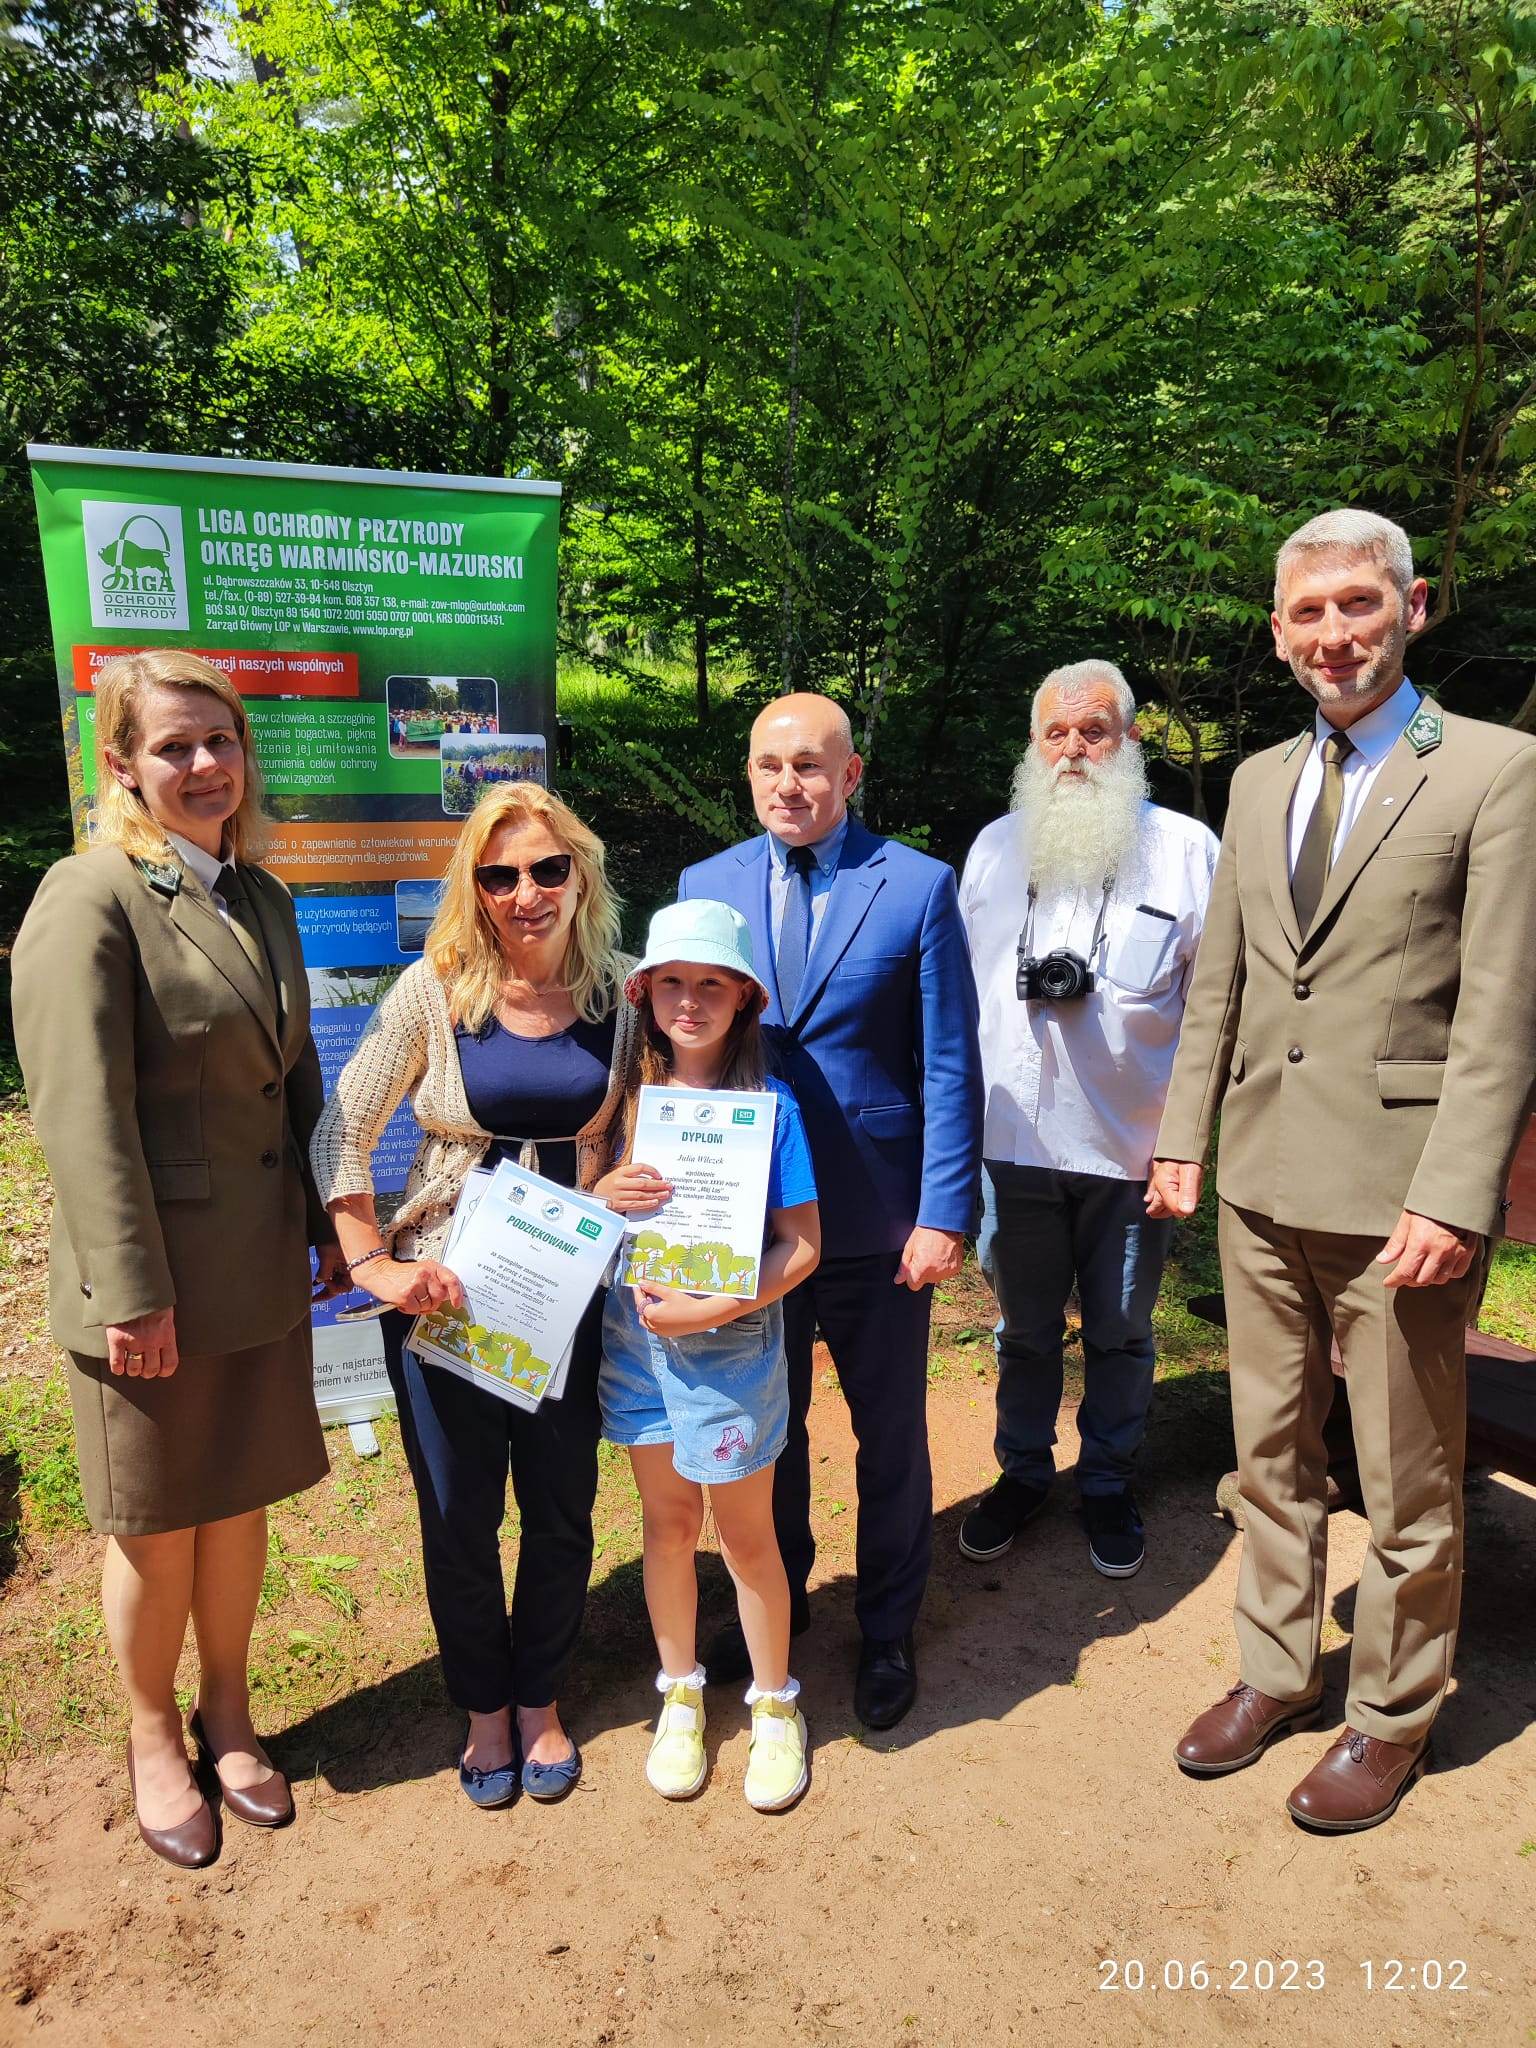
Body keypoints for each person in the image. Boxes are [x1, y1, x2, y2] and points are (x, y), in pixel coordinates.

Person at [1150, 508, 1536, 1831]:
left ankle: (1392, 1711)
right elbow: (1222, 978)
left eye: (1357, 604)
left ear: (1411, 607)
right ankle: (1276, 1669)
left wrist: (1456, 1191)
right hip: (1258, 1184)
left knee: (1409, 1481)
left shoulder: (1494, 770)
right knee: (1271, 1452)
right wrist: (1183, 1136)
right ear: (1277, 632)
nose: (1333, 633)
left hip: (1399, 1203)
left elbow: (1502, 1009)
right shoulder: (1260, 781)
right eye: (1307, 612)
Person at [12, 649, 346, 1869]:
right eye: (173, 745)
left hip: (254, 1266)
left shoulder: (260, 895)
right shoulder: (88, 895)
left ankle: (230, 1709)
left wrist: (328, 1222)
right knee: (156, 1524)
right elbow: (79, 1113)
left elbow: (293, 1073)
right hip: (150, 1285)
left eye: (221, 739)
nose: (205, 763)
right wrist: (131, 1291)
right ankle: (154, 1732)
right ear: (121, 762)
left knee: (237, 1500)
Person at [310, 784, 640, 1809]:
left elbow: (659, 1123)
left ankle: (539, 1699)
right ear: (475, 887)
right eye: (499, 875)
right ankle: (484, 1710)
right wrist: (372, 1263)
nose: (525, 892)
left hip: (563, 1298)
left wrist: (624, 1183)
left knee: (561, 1506)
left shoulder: (624, 996)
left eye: (547, 868)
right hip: (446, 1294)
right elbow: (341, 1127)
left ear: (579, 873)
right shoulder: (437, 989)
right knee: (458, 1515)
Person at [680, 694, 983, 1728]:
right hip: (751, 1219)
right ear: (748, 772)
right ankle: (785, 1596)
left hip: (879, 1221)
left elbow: (949, 1062)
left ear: (851, 774)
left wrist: (944, 1212)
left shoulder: (918, 885)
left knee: (889, 1436)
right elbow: (685, 1044)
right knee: (768, 1429)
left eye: (810, 765)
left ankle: (889, 1625)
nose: (789, 784)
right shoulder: (707, 885)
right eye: (770, 765)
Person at [958, 661, 1219, 1577]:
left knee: (1121, 1332)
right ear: (1034, 747)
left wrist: (1186, 1143)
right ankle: (1024, 1473)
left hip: (1134, 1149)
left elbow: (1216, 1010)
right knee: (1024, 1332)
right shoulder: (994, 850)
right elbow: (956, 1000)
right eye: (1055, 733)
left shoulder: (1188, 851)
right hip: (1011, 1145)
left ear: (1131, 741)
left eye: (1094, 731)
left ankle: (1106, 1480)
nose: (1072, 750)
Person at [594, 899, 821, 1811]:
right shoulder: (620, 1106)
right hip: (635, 1346)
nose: (690, 1002)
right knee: (667, 1526)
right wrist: (603, 1192)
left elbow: (801, 1247)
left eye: (712, 986)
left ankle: (774, 1704)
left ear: (744, 1000)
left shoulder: (772, 1108)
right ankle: (680, 1694)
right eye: (673, 983)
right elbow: (585, 1212)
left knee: (746, 1535)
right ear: (646, 995)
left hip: (730, 1351)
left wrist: (711, 1309)